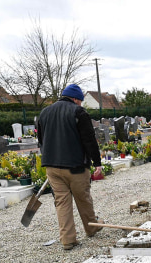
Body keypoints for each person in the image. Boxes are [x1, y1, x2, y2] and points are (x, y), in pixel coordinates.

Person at [37, 84, 104, 251]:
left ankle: (68, 239)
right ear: (75, 99)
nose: (80, 104)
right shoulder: (78, 112)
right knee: (83, 198)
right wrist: (97, 163)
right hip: (75, 166)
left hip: (52, 166)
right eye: (80, 101)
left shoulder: (44, 112)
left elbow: (41, 139)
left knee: (61, 202)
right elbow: (89, 139)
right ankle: (92, 227)